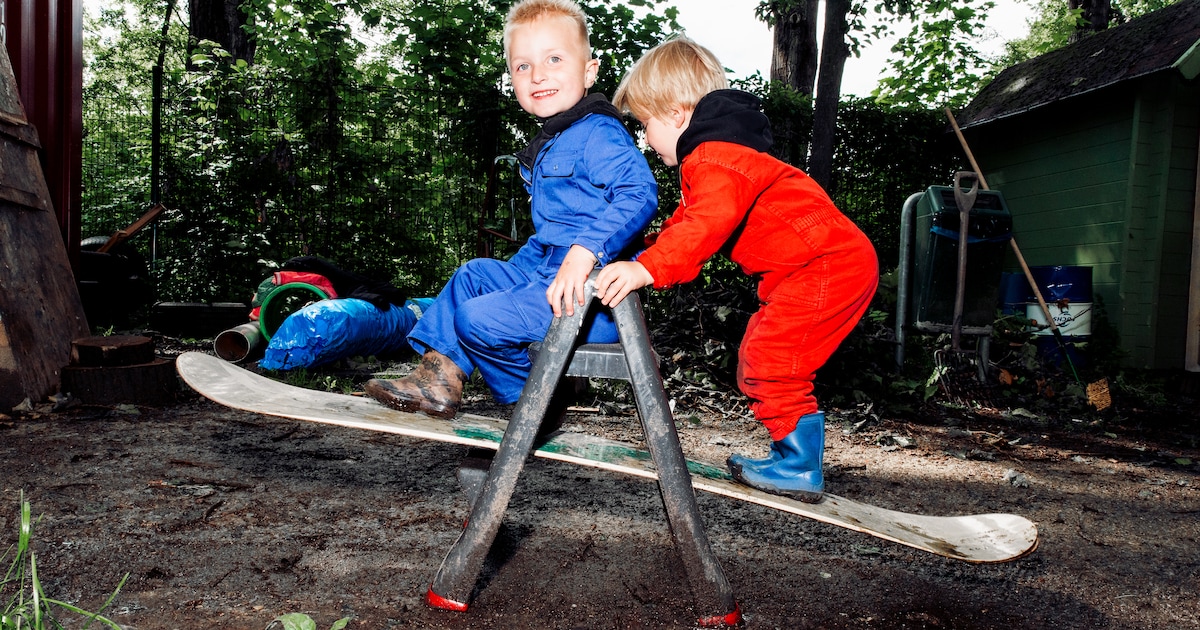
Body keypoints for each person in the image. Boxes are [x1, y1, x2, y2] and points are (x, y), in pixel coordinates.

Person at [595, 37, 878, 503]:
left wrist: (647, 268)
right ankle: (792, 459)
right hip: (816, 266)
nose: (644, 138)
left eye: (645, 124)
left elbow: (706, 224)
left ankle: (800, 468)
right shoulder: (719, 159)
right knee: (759, 358)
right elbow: (686, 225)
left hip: (825, 264)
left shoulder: (714, 159)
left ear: (676, 113)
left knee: (770, 360)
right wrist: (639, 248)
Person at [365, 0, 657, 419]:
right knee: (473, 276)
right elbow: (549, 237)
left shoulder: (599, 132)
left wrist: (587, 249)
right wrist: (520, 271)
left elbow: (639, 193)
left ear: (590, 71)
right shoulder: (551, 142)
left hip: (592, 298)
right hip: (548, 275)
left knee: (477, 318)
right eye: (523, 66)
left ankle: (534, 401)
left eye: (554, 59)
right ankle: (439, 380)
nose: (538, 75)